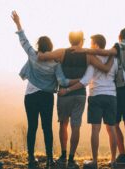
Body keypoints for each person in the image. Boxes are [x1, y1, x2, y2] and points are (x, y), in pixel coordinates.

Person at [59, 34, 125, 169]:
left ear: (97, 45)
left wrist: (67, 90)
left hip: (96, 96)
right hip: (111, 97)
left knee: (95, 130)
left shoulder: (93, 60)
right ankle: (113, 161)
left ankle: (95, 162)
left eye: (92, 43)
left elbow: (84, 81)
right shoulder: (115, 60)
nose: (91, 46)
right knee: (111, 129)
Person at [11, 11, 79, 169]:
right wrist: (80, 81)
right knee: (47, 127)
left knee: (32, 127)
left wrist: (18, 23)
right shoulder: (55, 62)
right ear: (51, 47)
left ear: (38, 46)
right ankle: (49, 159)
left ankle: (31, 159)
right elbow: (63, 81)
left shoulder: (33, 56)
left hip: (30, 96)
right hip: (47, 97)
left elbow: (23, 41)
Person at [38, 31, 114, 168]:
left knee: (63, 124)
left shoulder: (62, 52)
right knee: (75, 126)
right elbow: (104, 68)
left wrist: (39, 54)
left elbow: (43, 57)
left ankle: (63, 156)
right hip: (79, 94)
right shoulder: (88, 56)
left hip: (63, 94)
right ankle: (72, 159)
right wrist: (112, 57)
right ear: (81, 41)